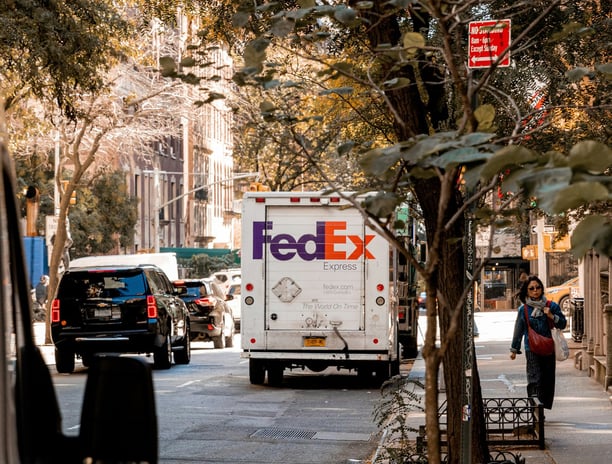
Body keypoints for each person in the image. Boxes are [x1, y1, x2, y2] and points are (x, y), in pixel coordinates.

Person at [510, 275, 567, 409]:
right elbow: (518, 329)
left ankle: (543, 407)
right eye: (531, 288)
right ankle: (536, 410)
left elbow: (563, 324)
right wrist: (514, 349)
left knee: (547, 380)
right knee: (534, 379)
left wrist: (551, 316)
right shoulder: (524, 309)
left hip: (548, 347)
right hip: (532, 348)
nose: (535, 290)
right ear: (527, 291)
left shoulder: (551, 306)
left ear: (542, 289)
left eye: (538, 287)